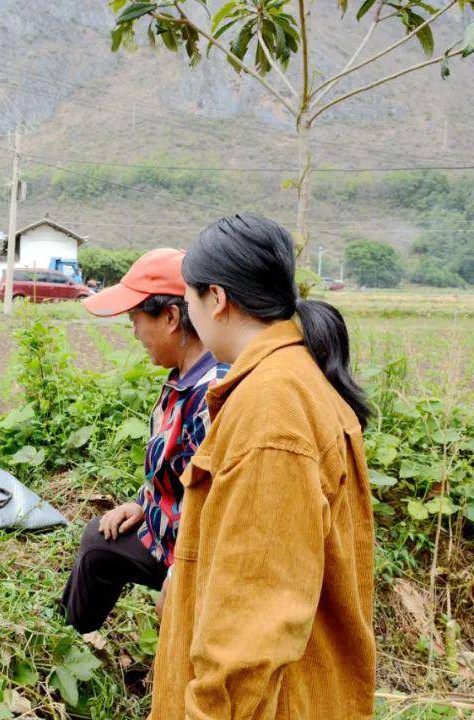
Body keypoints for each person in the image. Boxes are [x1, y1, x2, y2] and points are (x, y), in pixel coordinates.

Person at [151, 215, 375, 719]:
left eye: (187, 297)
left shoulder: (271, 412)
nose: (187, 310)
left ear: (216, 298)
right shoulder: (285, 379)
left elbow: (252, 623)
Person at [59, 248, 226, 633]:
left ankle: (70, 635)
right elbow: (178, 470)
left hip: (194, 556)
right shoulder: (183, 379)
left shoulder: (211, 395)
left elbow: (213, 507)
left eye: (135, 319)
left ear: (170, 317)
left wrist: (176, 580)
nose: (134, 333)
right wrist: (143, 502)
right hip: (167, 526)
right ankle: (67, 634)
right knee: (100, 540)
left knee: (101, 547)